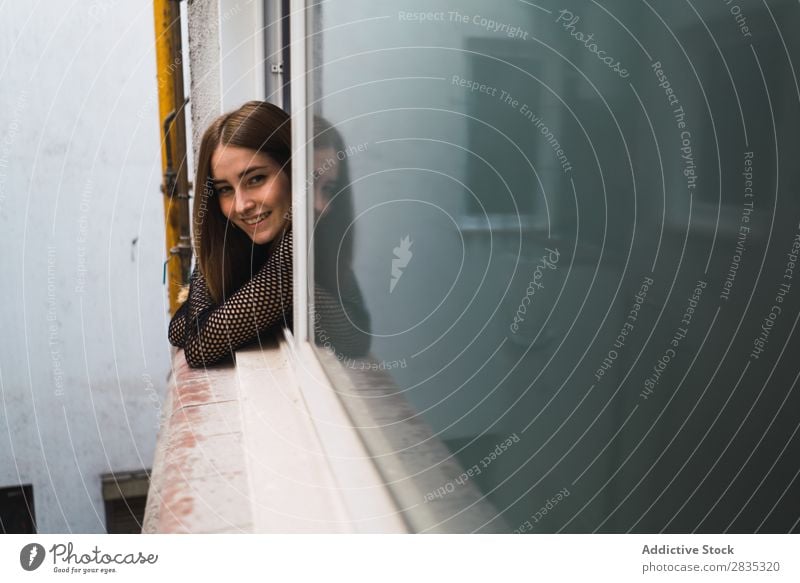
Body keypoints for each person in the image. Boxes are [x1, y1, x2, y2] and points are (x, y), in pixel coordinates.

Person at [168, 101, 370, 367]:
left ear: (291, 174)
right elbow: (181, 329)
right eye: (225, 189)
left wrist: (292, 290)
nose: (242, 205)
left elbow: (356, 337)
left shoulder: (301, 245)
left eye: (256, 179)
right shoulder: (234, 237)